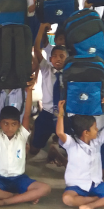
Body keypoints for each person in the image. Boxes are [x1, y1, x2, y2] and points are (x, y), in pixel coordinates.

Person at [0, 75, 51, 209]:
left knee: (45, 188)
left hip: (19, 179)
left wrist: (29, 91)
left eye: (13, 124)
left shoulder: (22, 135)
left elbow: (26, 115)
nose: (9, 127)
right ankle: (20, 197)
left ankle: (3, 201)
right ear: (0, 124)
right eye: (5, 124)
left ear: (19, 125)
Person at [33, 23, 68, 163]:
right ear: (50, 59)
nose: (58, 59)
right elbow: (36, 49)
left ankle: (55, 147)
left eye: (62, 56)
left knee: (66, 150)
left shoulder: (70, 73)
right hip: (47, 113)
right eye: (55, 56)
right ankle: (36, 128)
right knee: (33, 150)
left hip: (64, 115)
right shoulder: (46, 69)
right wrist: (41, 27)